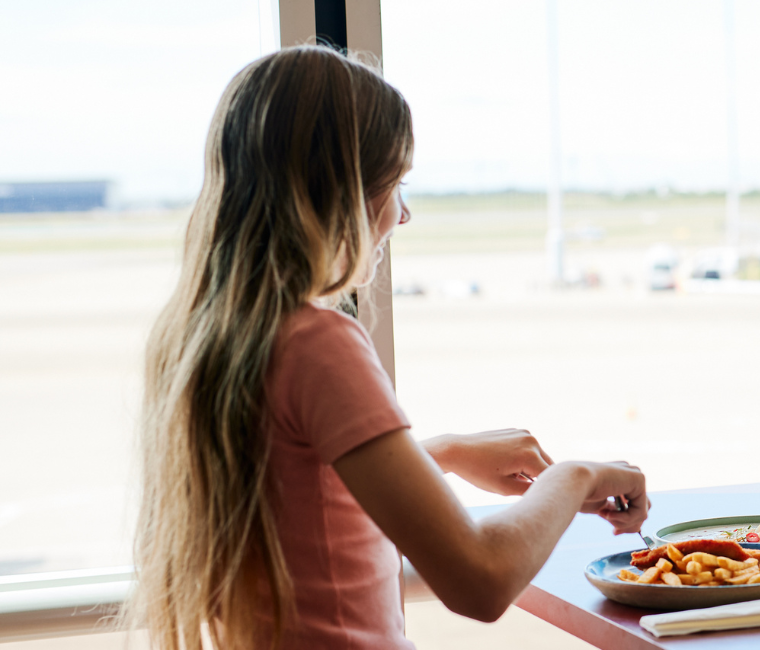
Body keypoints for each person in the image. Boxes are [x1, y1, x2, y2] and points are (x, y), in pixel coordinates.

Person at [129, 46, 650, 649]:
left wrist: (446, 454)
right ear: (340, 190)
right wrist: (576, 475)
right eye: (394, 183)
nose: (401, 215)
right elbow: (479, 581)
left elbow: (301, 498)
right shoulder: (317, 341)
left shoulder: (206, 336)